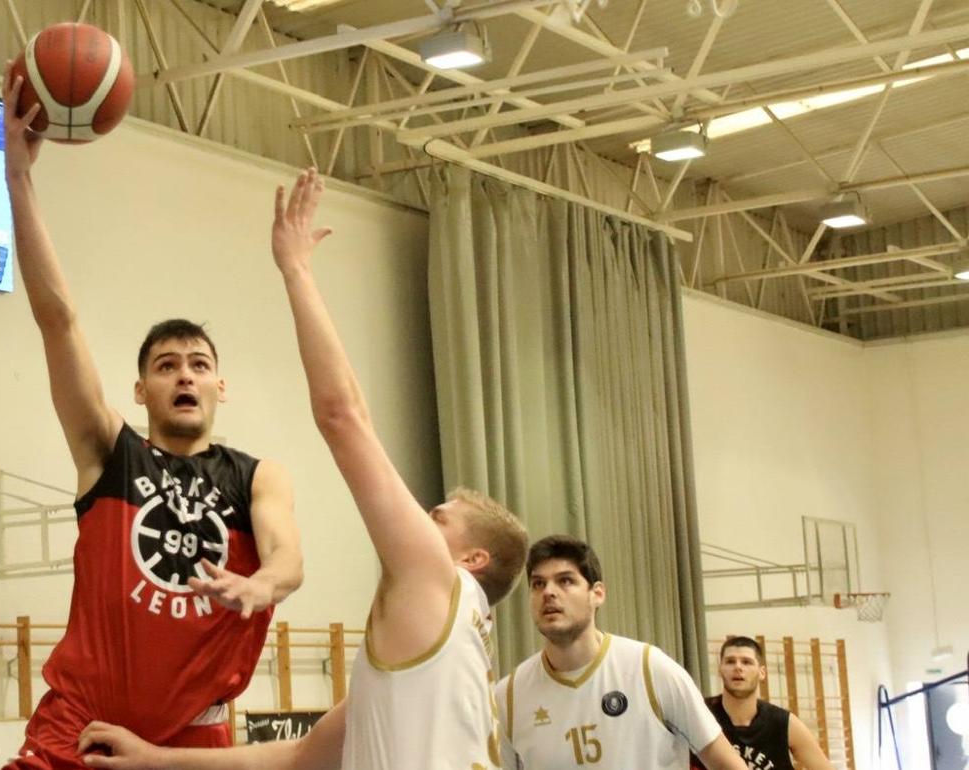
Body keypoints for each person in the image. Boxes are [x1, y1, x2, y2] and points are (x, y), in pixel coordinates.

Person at [75, 169, 529, 770]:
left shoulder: (432, 578)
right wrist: (155, 758)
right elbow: (297, 757)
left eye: (440, 518)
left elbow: (343, 416)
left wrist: (296, 270)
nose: (421, 516)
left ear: (471, 560)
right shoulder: (434, 650)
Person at [1, 63, 304, 768]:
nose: (185, 376)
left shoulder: (257, 476)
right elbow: (58, 320)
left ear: (221, 386)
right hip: (79, 724)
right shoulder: (111, 455)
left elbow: (287, 556)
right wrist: (18, 177)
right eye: (166, 366)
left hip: (191, 736)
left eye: (198, 364)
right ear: (140, 391)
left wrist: (257, 585)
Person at [498, 535, 747, 770]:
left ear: (597, 594)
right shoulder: (508, 696)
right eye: (538, 584)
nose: (548, 592)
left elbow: (727, 764)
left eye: (565, 580)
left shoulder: (651, 668)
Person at [691, 636, 834, 770]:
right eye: (730, 661)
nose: (738, 667)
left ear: (762, 672)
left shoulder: (784, 723)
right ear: (720, 669)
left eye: (746, 662)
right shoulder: (699, 715)